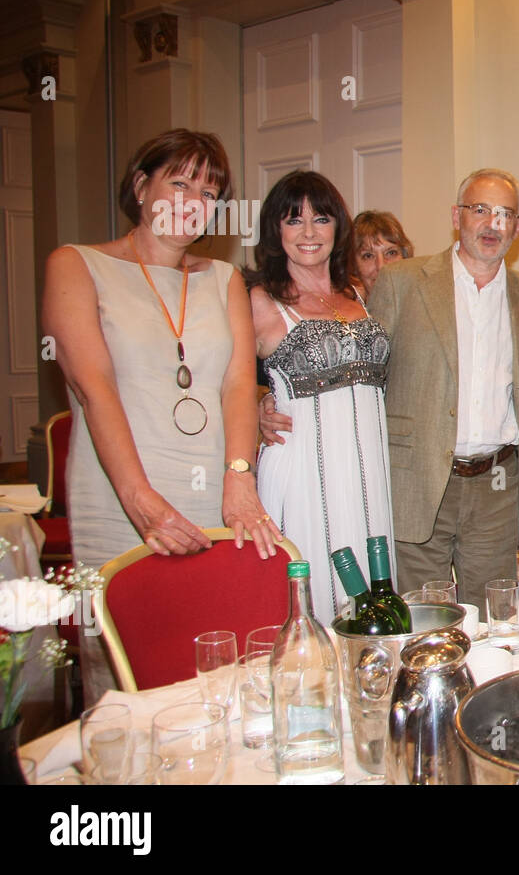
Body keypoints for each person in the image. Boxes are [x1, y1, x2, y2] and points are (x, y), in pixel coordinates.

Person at [42, 128, 277, 703]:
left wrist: (240, 476)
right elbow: (93, 388)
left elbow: (238, 384)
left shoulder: (223, 279)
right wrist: (140, 498)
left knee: (219, 660)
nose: (192, 201)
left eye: (208, 191)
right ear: (141, 186)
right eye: (180, 182)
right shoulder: (76, 265)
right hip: (120, 493)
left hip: (217, 496)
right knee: (131, 674)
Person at [368, 169, 519, 611]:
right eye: (480, 210)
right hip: (420, 481)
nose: (493, 224)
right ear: (457, 216)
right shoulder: (402, 283)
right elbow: (365, 379)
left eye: (506, 214)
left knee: (494, 619)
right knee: (421, 619)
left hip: (497, 487)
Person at [250, 171, 393, 620]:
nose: (309, 232)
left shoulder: (359, 295)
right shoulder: (257, 300)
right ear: (276, 230)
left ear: (338, 228)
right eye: (294, 220)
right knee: (311, 610)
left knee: (375, 606)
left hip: (369, 473)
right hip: (304, 476)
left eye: (321, 219)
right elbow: (220, 380)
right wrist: (257, 402)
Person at [350, 210, 413, 299]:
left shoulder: (423, 307)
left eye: (391, 253)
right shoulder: (340, 311)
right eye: (368, 256)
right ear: (354, 266)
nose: (381, 266)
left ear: (405, 257)